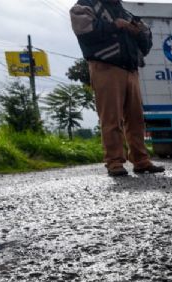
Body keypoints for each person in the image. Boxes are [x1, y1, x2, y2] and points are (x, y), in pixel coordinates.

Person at [70, 0, 164, 177]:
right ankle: (114, 162)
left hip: (131, 69)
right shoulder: (85, 5)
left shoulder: (126, 13)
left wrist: (139, 33)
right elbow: (85, 31)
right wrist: (115, 25)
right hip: (105, 67)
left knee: (136, 119)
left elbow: (146, 44)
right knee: (111, 118)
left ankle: (141, 160)